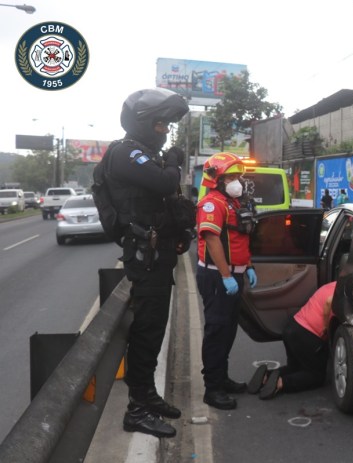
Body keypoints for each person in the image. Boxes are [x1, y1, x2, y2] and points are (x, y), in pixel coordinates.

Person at [107, 88, 191, 438]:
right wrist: (173, 161)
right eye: (160, 125)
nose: (165, 131)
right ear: (141, 124)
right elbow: (164, 182)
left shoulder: (144, 154)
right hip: (144, 257)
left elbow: (162, 199)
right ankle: (137, 410)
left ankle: (148, 397)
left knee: (154, 329)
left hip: (157, 255)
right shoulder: (126, 153)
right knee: (145, 331)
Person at [196, 152, 258, 410]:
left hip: (235, 273)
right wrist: (225, 276)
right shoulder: (212, 204)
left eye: (239, 176)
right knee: (217, 331)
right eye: (231, 176)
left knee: (229, 330)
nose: (238, 181)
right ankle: (212, 388)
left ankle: (222, 378)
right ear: (217, 179)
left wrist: (249, 267)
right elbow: (212, 241)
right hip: (217, 275)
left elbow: (239, 240)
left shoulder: (233, 203)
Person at [247, 281, 336, 400]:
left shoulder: (330, 285)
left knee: (295, 367)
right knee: (316, 376)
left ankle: (266, 376)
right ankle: (281, 383)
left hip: (292, 328)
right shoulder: (343, 291)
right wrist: (325, 327)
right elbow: (329, 302)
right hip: (308, 334)